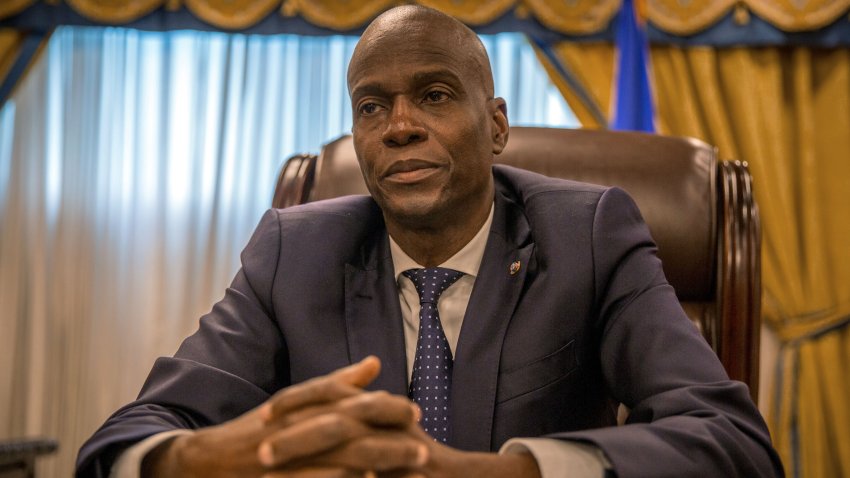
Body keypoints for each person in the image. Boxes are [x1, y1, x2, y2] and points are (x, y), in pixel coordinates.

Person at [76, 5, 783, 478]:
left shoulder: (589, 235)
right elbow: (126, 438)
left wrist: (508, 471)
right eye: (372, 106)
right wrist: (200, 458)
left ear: (497, 124)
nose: (399, 126)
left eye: (435, 95)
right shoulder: (296, 249)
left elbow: (729, 439)